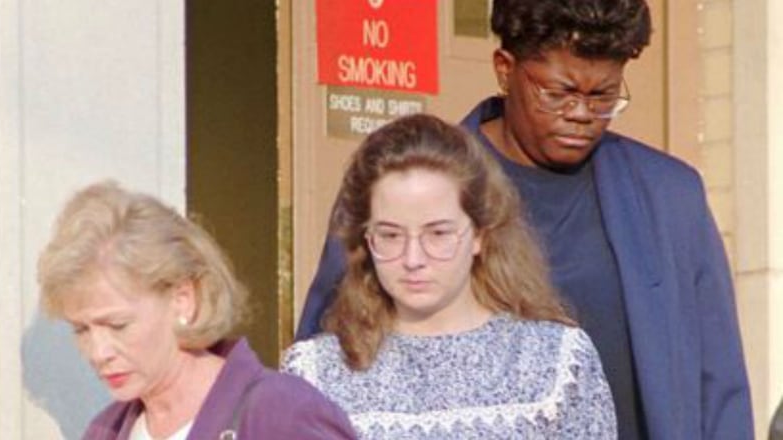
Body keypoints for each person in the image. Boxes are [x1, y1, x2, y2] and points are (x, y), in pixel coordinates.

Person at [296, 0, 754, 439]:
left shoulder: (669, 197)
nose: (581, 114)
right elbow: (331, 349)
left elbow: (719, 390)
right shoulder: (403, 188)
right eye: (557, 93)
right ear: (504, 69)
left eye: (603, 96)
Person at [282, 113, 617, 438]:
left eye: (438, 234)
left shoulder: (554, 362)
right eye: (390, 235)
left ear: (479, 234)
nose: (413, 259)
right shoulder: (316, 374)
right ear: (365, 239)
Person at [37, 181, 357, 440]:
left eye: (117, 325)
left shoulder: (281, 413)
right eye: (81, 329)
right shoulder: (104, 431)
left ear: (183, 299)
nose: (98, 352)